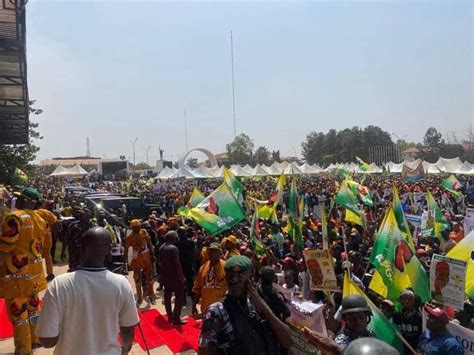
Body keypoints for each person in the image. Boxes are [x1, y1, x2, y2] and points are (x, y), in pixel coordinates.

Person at [37, 227, 139, 355]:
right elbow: (128, 328)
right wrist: (125, 350)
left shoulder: (58, 285)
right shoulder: (121, 284)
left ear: (81, 250)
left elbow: (47, 340)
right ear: (108, 252)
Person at [198, 255, 292, 354]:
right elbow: (204, 350)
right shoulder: (216, 312)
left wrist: (264, 307)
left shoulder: (258, 304)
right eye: (231, 276)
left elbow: (288, 341)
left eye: (240, 276)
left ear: (251, 277)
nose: (235, 280)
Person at [0, 188, 47, 353]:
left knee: (18, 314)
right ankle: (35, 340)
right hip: (34, 274)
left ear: (26, 201)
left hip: (16, 276)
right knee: (33, 309)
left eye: (19, 198)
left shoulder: (14, 218)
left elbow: (6, 246)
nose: (16, 200)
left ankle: (23, 349)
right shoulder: (39, 218)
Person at [124, 219, 156, 305]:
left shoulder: (144, 232)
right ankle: (139, 298)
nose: (136, 228)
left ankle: (151, 295)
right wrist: (125, 263)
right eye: (134, 227)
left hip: (146, 259)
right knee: (137, 279)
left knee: (149, 278)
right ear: (132, 228)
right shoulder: (129, 237)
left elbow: (149, 243)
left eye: (137, 226)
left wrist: (152, 254)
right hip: (136, 260)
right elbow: (126, 250)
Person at [158, 230, 186, 325]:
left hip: (166, 276)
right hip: (175, 277)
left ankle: (170, 316)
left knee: (167, 297)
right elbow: (177, 264)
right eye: (176, 236)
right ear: (172, 238)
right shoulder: (173, 248)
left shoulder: (161, 247)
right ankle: (176, 318)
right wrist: (181, 276)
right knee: (178, 297)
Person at [192, 242, 227, 317]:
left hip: (221, 310)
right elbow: (197, 288)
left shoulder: (226, 267)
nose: (212, 254)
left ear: (220, 253)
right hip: (205, 309)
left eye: (215, 252)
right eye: (210, 252)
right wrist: (194, 305)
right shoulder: (203, 267)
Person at [35, 202, 58, 281]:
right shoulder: (47, 212)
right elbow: (55, 221)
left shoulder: (33, 213)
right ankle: (50, 273)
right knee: (48, 255)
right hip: (47, 236)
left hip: (37, 237)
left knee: (36, 255)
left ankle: (37, 274)